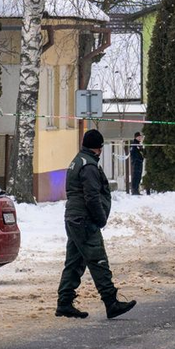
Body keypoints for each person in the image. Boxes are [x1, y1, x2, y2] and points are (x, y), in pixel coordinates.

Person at [56, 129, 137, 320]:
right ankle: (111, 302)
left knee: (75, 261)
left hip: (74, 218)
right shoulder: (89, 166)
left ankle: (64, 303)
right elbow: (92, 196)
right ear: (99, 148)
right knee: (98, 260)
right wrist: (100, 218)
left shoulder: (78, 160)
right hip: (84, 220)